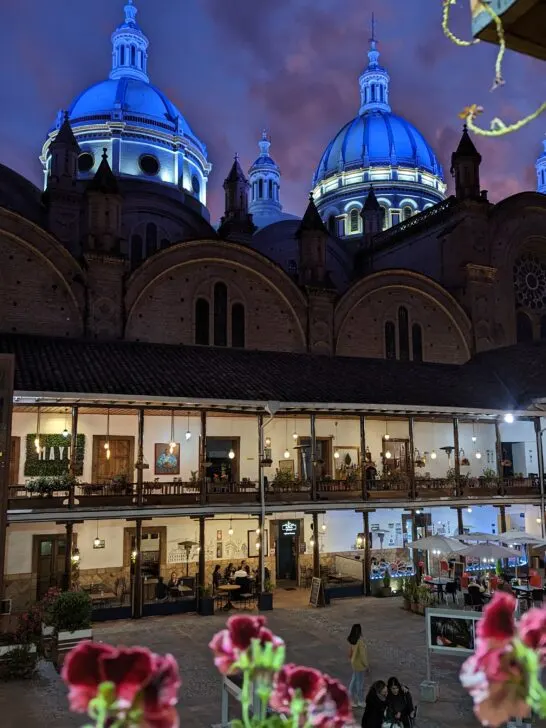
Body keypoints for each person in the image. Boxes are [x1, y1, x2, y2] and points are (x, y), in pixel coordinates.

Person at [347, 624, 368, 708]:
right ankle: (361, 700)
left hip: (354, 663)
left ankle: (350, 698)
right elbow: (363, 656)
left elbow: (351, 651)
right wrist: (366, 665)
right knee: (360, 683)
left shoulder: (352, 640)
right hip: (360, 665)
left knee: (354, 680)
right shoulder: (360, 642)